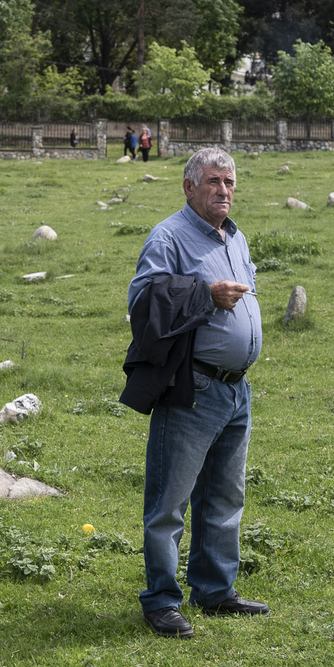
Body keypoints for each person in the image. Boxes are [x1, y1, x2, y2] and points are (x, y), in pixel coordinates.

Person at [122, 147, 267, 638]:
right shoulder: (168, 237)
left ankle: (215, 588)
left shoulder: (236, 235)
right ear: (189, 187)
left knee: (225, 495)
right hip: (194, 387)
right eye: (212, 182)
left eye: (229, 182)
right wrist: (205, 296)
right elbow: (142, 302)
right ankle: (161, 600)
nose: (223, 191)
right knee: (170, 502)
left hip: (236, 389)